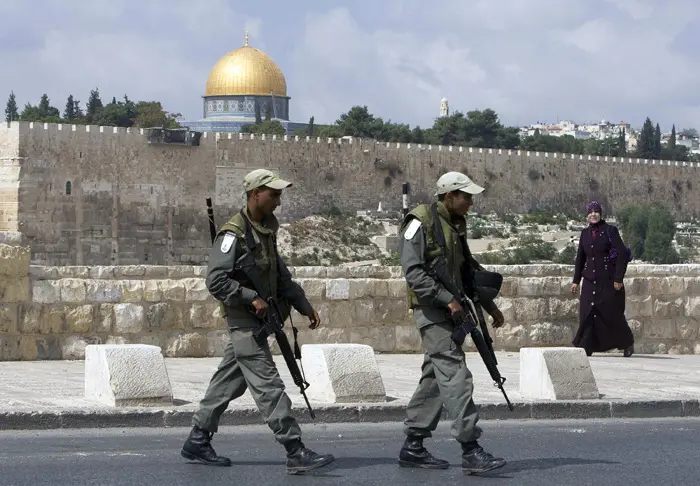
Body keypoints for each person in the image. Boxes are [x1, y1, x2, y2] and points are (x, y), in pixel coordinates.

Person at [180, 169, 335, 475]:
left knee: (227, 383)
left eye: (279, 194)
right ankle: (294, 449)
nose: (278, 201)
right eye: (274, 194)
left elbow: (281, 276)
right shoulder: (232, 234)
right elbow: (215, 281)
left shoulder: (264, 231)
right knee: (269, 386)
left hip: (262, 322)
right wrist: (250, 296)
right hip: (245, 324)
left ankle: (198, 439)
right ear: (255, 195)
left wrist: (303, 305)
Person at [397, 171, 507, 474]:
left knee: (435, 376)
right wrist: (445, 299)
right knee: (456, 374)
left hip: (453, 311)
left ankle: (413, 446)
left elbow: (466, 273)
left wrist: (489, 306)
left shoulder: (455, 225)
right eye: (466, 196)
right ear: (449, 196)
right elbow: (414, 272)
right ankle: (471, 449)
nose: (471, 202)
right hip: (433, 312)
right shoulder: (419, 222)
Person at [571, 200, 634, 357]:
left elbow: (621, 255)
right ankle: (586, 345)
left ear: (600, 213)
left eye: (596, 211)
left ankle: (626, 343)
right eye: (590, 212)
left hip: (608, 281)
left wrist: (618, 278)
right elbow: (580, 258)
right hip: (589, 281)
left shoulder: (610, 231)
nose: (593, 214)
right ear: (587, 215)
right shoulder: (585, 234)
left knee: (610, 313)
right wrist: (576, 281)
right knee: (587, 312)